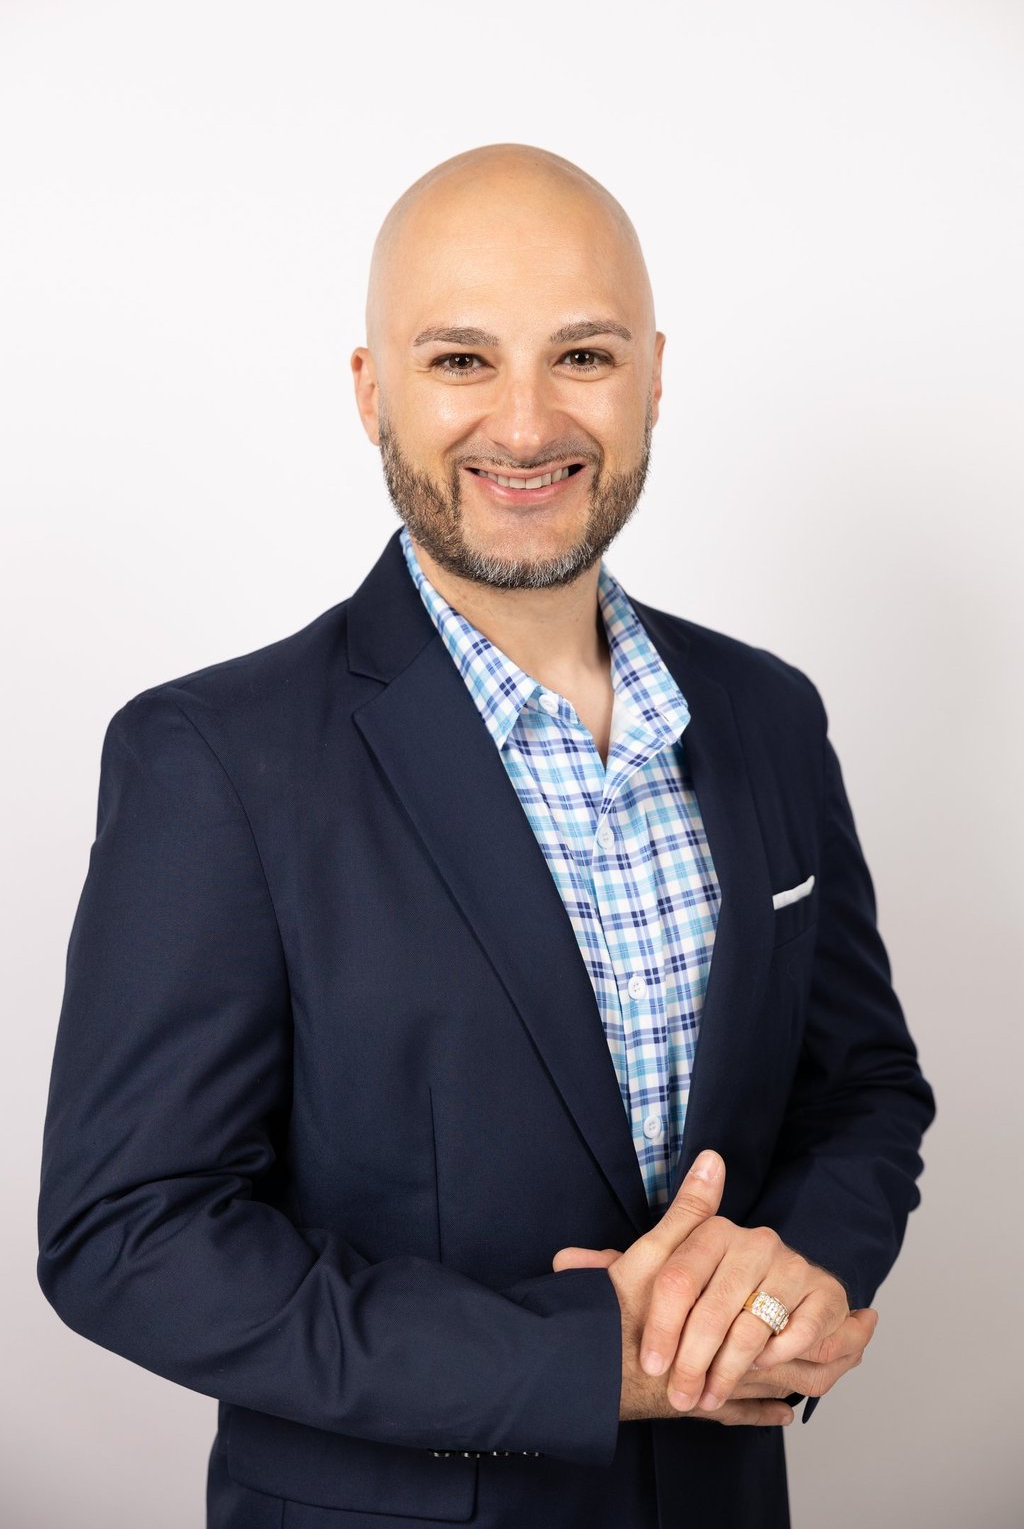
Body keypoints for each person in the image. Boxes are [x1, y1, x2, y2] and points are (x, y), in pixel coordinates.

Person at [37, 143, 935, 1529]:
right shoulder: (211, 758)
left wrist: (796, 1273)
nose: (525, 423)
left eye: (582, 355)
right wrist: (576, 1363)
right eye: (461, 359)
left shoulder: (766, 713)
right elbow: (128, 1234)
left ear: (651, 375)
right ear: (371, 388)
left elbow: (863, 1088)